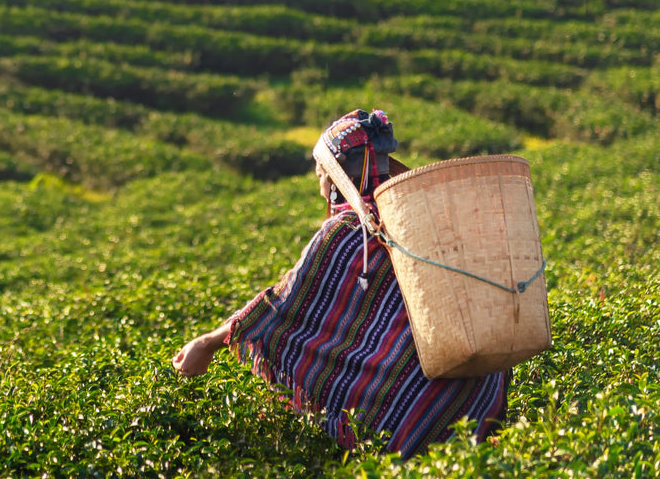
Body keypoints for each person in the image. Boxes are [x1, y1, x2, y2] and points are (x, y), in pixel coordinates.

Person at [171, 109, 509, 458]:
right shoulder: (425, 220)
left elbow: (281, 309)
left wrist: (209, 342)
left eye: (321, 174)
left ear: (333, 178)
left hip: (421, 398)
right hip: (478, 392)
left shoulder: (346, 233)